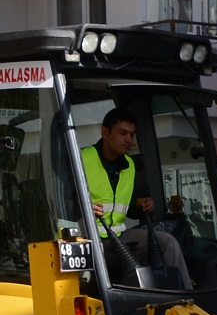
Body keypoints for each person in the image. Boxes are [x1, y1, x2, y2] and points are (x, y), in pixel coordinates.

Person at [82, 107, 192, 289]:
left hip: (118, 235)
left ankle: (184, 298)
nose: (128, 140)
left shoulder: (130, 165)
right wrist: (84, 207)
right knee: (93, 253)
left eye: (132, 135)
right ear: (105, 132)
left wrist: (141, 204)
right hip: (88, 236)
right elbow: (63, 201)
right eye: (123, 133)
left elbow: (126, 206)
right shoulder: (82, 159)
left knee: (167, 242)